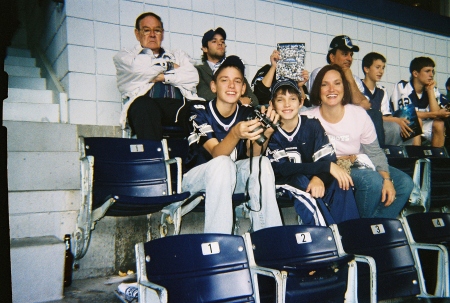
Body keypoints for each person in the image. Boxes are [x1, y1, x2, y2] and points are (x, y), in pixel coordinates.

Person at [182, 55, 282, 234]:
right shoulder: (199, 110)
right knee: (222, 163)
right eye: (224, 80)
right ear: (213, 86)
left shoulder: (247, 112)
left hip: (231, 178)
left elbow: (254, 153)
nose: (231, 86)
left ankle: (269, 237)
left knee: (262, 163)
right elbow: (216, 153)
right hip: (196, 179)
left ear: (243, 88)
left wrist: (267, 133)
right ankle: (219, 242)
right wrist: (235, 133)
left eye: (237, 81)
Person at [303, 64, 413, 219]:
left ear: (344, 87)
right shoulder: (308, 118)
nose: (331, 89)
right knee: (372, 181)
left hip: (360, 163)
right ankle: (361, 231)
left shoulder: (359, 114)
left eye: (337, 83)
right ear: (317, 89)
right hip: (329, 169)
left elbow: (375, 152)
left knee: (404, 184)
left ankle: (372, 227)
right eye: (324, 84)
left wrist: (387, 179)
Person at [265, 78, 359, 225]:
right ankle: (324, 238)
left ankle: (348, 235)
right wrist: (324, 168)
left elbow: (327, 160)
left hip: (311, 179)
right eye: (280, 100)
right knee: (301, 182)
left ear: (301, 102)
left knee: (342, 182)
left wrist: (319, 177)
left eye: (293, 99)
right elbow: (283, 168)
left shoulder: (312, 125)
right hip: (284, 183)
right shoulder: (269, 131)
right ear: (272, 104)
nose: (287, 104)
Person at [113, 12, 203, 140]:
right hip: (146, 107)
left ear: (163, 34)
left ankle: (204, 158)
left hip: (177, 107)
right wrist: (170, 66)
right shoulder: (127, 56)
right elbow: (137, 69)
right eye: (146, 30)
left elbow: (193, 76)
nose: (152, 35)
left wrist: (163, 77)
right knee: (144, 106)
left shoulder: (178, 55)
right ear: (137, 34)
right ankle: (153, 158)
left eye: (157, 30)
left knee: (202, 108)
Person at [307, 35, 385, 146]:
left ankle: (376, 156)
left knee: (374, 114)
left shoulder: (354, 79)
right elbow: (317, 101)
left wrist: (350, 80)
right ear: (332, 57)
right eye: (344, 54)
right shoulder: (320, 73)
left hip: (348, 120)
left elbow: (365, 106)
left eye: (351, 55)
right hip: (325, 117)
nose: (349, 58)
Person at [391, 57, 450, 147]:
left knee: (439, 123)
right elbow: (406, 114)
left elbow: (437, 115)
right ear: (415, 73)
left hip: (425, 126)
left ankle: (436, 159)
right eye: (427, 71)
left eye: (432, 71)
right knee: (417, 120)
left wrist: (430, 91)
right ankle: (416, 156)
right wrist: (435, 114)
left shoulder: (433, 89)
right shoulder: (402, 86)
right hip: (402, 126)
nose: (431, 75)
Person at [361, 52, 414, 146]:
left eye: (383, 68)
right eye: (377, 67)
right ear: (366, 69)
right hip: (362, 125)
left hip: (380, 124)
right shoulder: (357, 87)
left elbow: (386, 115)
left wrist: (400, 121)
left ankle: (407, 157)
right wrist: (396, 120)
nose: (381, 71)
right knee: (393, 127)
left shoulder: (382, 90)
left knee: (408, 126)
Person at [195, 27, 258, 105]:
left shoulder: (235, 68)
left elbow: (254, 99)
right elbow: (206, 95)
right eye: (214, 41)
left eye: (222, 41)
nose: (220, 43)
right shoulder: (198, 71)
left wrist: (249, 99)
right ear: (205, 48)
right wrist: (238, 101)